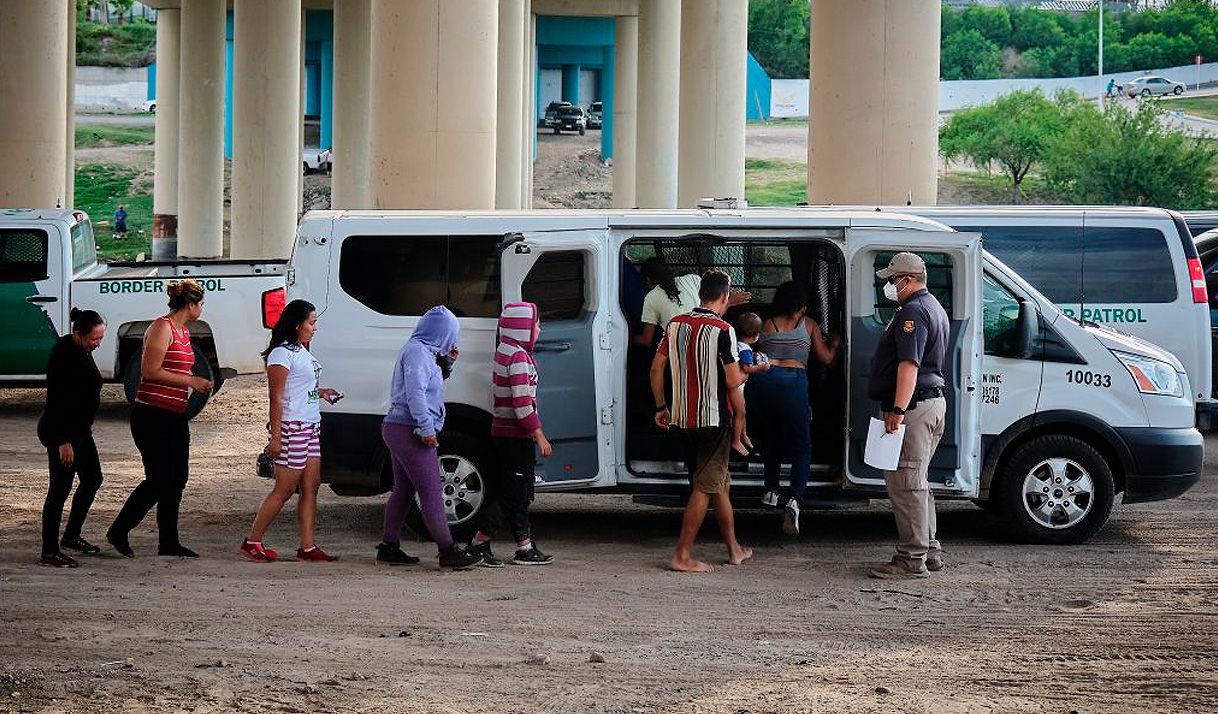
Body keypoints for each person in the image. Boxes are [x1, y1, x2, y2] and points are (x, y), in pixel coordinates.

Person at [651, 269, 752, 573]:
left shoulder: (675, 324)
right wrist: (751, 370)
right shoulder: (724, 330)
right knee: (705, 487)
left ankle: (734, 549)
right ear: (724, 297)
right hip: (713, 420)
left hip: (681, 418)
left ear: (699, 295)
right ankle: (681, 555)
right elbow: (733, 380)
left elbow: (656, 369)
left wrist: (661, 406)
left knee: (718, 483)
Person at [107, 280, 212, 558]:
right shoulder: (161, 327)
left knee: (177, 478)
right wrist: (190, 380)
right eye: (200, 304)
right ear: (190, 305)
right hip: (152, 414)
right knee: (159, 479)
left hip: (174, 414)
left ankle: (169, 541)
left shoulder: (183, 331)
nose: (202, 308)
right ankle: (119, 529)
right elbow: (150, 371)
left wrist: (193, 384)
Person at [377, 306, 482, 569]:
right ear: (441, 332)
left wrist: (447, 362)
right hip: (409, 430)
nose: (452, 340)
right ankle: (448, 551)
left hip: (399, 427)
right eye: (451, 334)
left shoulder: (424, 352)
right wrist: (426, 429)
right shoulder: (417, 353)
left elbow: (430, 386)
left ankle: (389, 546)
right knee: (431, 490)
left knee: (404, 489)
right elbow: (416, 395)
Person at [867, 252, 950, 580]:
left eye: (892, 280)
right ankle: (928, 550)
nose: (889, 286)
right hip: (929, 404)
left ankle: (911, 559)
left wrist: (898, 410)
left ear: (908, 280)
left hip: (914, 407)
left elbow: (909, 365)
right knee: (918, 482)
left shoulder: (913, 312)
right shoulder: (934, 307)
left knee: (906, 483)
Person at [240, 300, 342, 563]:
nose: (314, 327)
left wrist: (320, 393)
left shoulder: (299, 351)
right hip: (292, 428)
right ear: (298, 325)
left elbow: (297, 389)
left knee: (311, 487)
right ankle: (252, 541)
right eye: (312, 322)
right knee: (284, 489)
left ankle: (307, 547)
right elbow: (276, 397)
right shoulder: (281, 354)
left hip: (309, 426)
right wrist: (276, 437)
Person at [748, 281, 841, 536]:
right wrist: (834, 343)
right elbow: (826, 360)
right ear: (801, 307)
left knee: (771, 437)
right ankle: (794, 500)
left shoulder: (767, 324)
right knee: (802, 446)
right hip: (793, 383)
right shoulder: (808, 324)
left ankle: (771, 489)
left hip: (763, 383)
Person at [467, 302, 554, 567]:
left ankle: (524, 546)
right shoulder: (517, 358)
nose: (539, 328)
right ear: (521, 329)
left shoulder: (506, 351)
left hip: (507, 434)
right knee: (513, 493)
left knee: (521, 491)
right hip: (515, 436)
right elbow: (522, 403)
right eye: (534, 324)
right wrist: (538, 434)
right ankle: (478, 543)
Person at [38, 309, 107, 568]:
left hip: (79, 431)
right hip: (61, 433)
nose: (97, 343)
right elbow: (56, 401)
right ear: (78, 334)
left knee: (92, 479)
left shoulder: (80, 348)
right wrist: (62, 441)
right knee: (59, 490)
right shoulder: (63, 356)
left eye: (101, 338)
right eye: (94, 339)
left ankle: (71, 535)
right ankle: (49, 551)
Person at [634, 257, 750, 347]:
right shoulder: (692, 279)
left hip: (679, 349)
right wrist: (729, 303)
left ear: (648, 279)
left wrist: (626, 336)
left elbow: (646, 340)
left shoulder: (651, 297)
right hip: (706, 342)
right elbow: (711, 315)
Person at [730, 312, 770, 456]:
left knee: (742, 413)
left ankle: (743, 435)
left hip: (738, 386)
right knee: (740, 413)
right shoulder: (745, 349)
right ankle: (736, 440)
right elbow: (746, 368)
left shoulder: (739, 344)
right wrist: (762, 367)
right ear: (755, 336)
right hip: (738, 387)